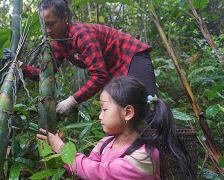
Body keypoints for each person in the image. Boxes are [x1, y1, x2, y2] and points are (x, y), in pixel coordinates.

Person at [37, 76, 195, 179]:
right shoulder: (105, 143)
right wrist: (62, 150)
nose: (100, 116)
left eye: (104, 109)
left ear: (127, 112)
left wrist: (62, 149)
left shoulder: (143, 157)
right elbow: (84, 169)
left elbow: (98, 172)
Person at [21, 0, 158, 117]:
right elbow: (46, 74)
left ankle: (164, 145)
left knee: (149, 104)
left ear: (65, 17)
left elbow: (99, 76)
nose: (48, 30)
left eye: (51, 24)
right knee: (122, 112)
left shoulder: (81, 34)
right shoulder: (59, 43)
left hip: (132, 55)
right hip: (113, 70)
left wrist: (72, 101)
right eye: (45, 25)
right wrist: (22, 67)